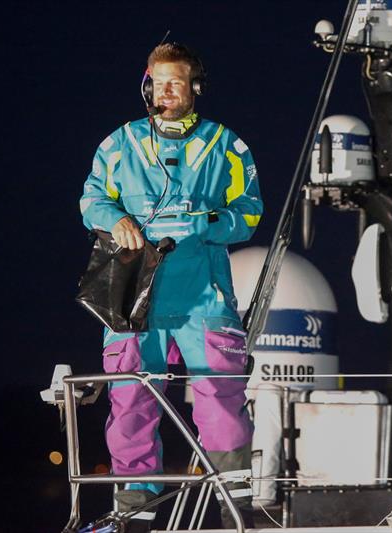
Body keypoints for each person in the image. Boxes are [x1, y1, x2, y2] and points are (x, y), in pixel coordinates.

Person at [79, 42, 263, 531]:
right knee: (131, 401)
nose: (166, 90)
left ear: (194, 88)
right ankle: (134, 513)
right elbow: (91, 199)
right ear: (147, 86)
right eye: (158, 82)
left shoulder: (227, 145)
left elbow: (248, 212)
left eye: (176, 81)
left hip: (204, 296)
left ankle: (235, 507)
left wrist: (208, 224)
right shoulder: (119, 144)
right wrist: (115, 220)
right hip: (134, 295)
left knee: (220, 397)